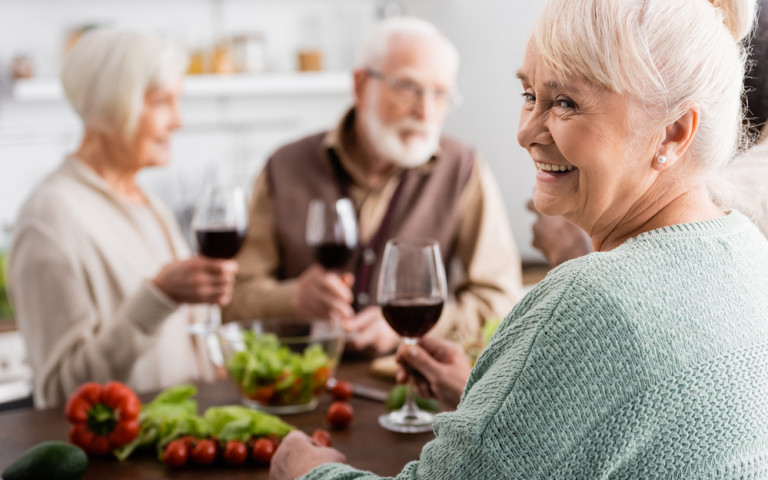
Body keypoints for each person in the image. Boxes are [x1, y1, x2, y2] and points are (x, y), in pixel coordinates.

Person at [269, 0, 768, 478]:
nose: (526, 131)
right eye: (529, 94)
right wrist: (493, 408)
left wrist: (309, 472)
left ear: (674, 132)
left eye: (566, 103)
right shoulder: (747, 248)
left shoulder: (592, 299)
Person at [223, 17, 523, 355]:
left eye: (440, 94)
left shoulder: (464, 169)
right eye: (409, 87)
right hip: (298, 387)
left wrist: (407, 329)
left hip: (409, 389)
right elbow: (232, 297)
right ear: (361, 85)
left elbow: (499, 302)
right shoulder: (284, 167)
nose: (425, 111)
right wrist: (292, 299)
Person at [8, 29, 238, 409]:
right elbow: (61, 395)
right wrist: (157, 297)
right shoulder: (48, 221)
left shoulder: (148, 203)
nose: (178, 121)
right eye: (162, 102)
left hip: (180, 446)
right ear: (110, 105)